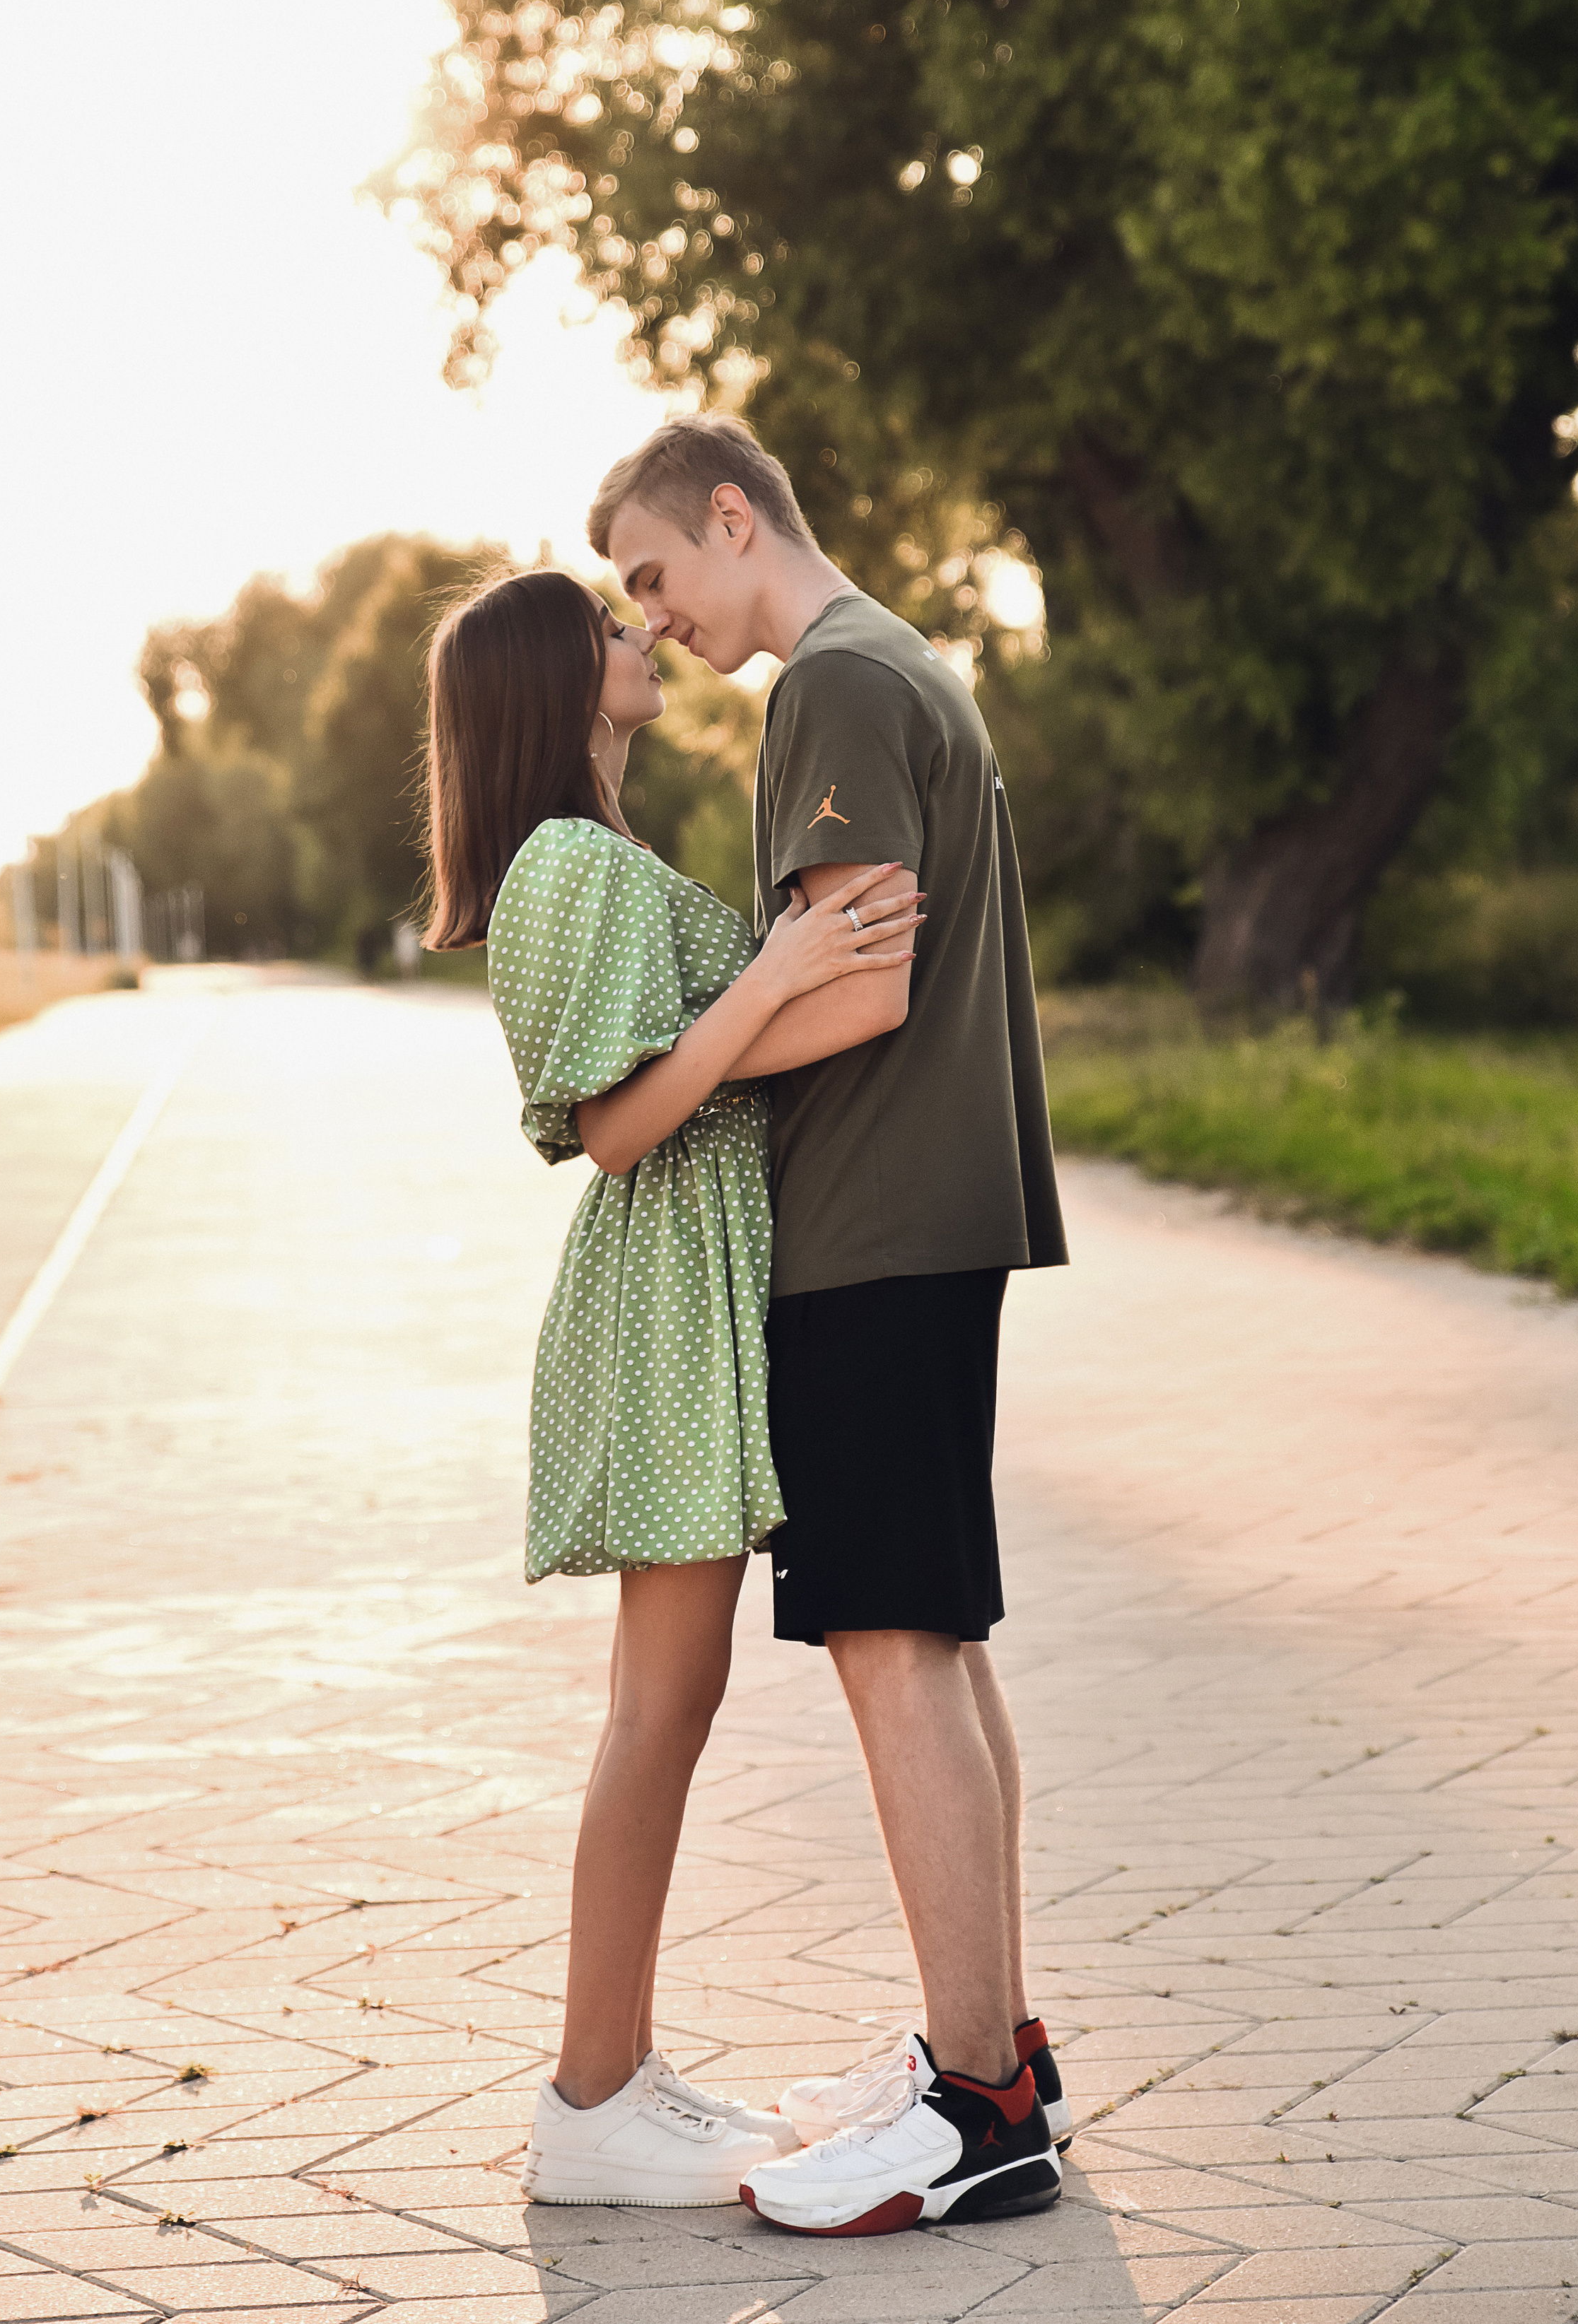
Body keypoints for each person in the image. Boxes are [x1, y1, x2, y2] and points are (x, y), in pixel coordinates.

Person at [588, 413, 1072, 2238]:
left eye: (653, 575)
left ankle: (975, 2111)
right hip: (926, 1219)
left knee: (891, 1643)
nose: (652, 619)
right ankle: (994, 2060)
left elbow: (858, 982)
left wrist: (661, 1077)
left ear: (733, 516)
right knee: (934, 1639)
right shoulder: (900, 661)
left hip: (872, 1228)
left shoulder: (838, 684)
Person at [420, 565, 920, 2208]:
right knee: (658, 1706)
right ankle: (586, 2100)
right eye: (605, 622)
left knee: (671, 1699)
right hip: (658, 1286)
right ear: (548, 681)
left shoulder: (592, 852)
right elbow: (618, 1124)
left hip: (694, 1274)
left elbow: (693, 1066)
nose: (639, 633)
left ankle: (619, 2076)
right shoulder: (565, 864)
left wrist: (797, 980)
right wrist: (775, 976)